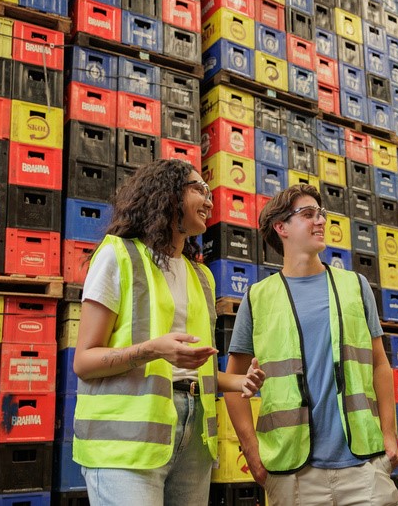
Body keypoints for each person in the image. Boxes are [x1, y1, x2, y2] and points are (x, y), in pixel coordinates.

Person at [72, 159, 265, 506]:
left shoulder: (201, 277)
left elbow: (193, 369)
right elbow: (84, 362)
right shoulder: (118, 256)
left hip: (194, 437)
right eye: (199, 189)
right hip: (125, 444)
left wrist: (239, 382)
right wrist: (152, 350)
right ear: (168, 195)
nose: (209, 201)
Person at [224, 184, 398, 506]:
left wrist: (390, 436)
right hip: (292, 472)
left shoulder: (355, 285)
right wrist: (251, 451)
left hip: (363, 465)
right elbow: (232, 383)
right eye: (308, 214)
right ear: (281, 227)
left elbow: (380, 364)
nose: (320, 221)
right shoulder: (257, 298)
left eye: (321, 213)